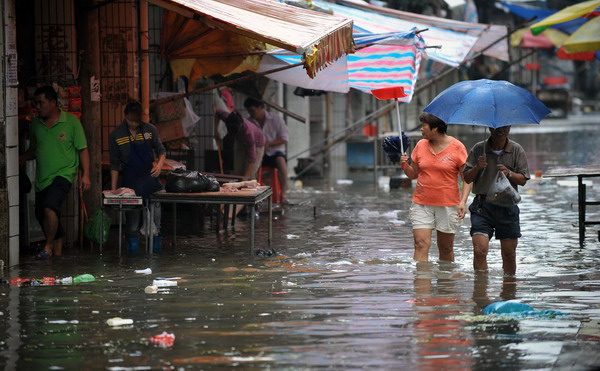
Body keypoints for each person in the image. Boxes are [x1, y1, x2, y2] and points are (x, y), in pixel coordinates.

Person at [20, 86, 91, 260]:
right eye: (36, 103)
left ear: (53, 102)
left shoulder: (72, 122)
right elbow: (34, 149)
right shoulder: (36, 124)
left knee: (50, 206)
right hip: (43, 177)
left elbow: (82, 149)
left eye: (41, 102)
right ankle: (57, 257)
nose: (38, 106)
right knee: (40, 212)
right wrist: (22, 157)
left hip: (64, 174)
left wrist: (86, 175)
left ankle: (48, 246)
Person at [399, 113, 472, 263]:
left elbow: (467, 179)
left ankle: (445, 284)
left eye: (424, 126)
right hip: (422, 203)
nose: (421, 129)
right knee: (420, 244)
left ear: (435, 128)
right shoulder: (420, 145)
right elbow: (413, 174)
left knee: (445, 248)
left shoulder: (457, 147)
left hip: (448, 204)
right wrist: (404, 164)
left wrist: (463, 202)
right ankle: (421, 282)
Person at [463, 126, 529, 275]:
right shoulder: (479, 148)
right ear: (489, 128)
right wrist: (477, 167)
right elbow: (466, 178)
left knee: (509, 254)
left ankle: (509, 289)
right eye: (496, 127)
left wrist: (509, 173)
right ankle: (481, 291)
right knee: (479, 250)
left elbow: (523, 180)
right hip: (482, 206)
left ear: (510, 128)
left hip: (507, 206)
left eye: (504, 127)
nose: (500, 130)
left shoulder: (517, 149)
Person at [109, 100, 166, 252]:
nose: (133, 124)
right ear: (125, 116)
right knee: (132, 222)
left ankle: (155, 251)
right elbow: (114, 164)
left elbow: (161, 150)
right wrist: (114, 190)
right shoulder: (116, 135)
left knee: (156, 220)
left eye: (136, 121)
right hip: (130, 183)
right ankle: (132, 255)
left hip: (151, 180)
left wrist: (159, 166)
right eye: (130, 120)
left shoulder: (149, 130)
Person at [244, 97, 289, 203]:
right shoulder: (249, 121)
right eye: (249, 111)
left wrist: (268, 144)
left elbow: (284, 139)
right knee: (252, 165)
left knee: (281, 161)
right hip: (259, 154)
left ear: (261, 108)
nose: (251, 113)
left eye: (253, 110)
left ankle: (283, 194)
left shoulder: (276, 119)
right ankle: (254, 195)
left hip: (274, 153)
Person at [215, 109, 265, 179]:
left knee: (250, 174)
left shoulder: (248, 133)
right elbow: (218, 112)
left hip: (257, 144)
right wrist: (216, 130)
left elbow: (252, 158)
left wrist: (246, 177)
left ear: (241, 124)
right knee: (237, 171)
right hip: (240, 141)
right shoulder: (228, 118)